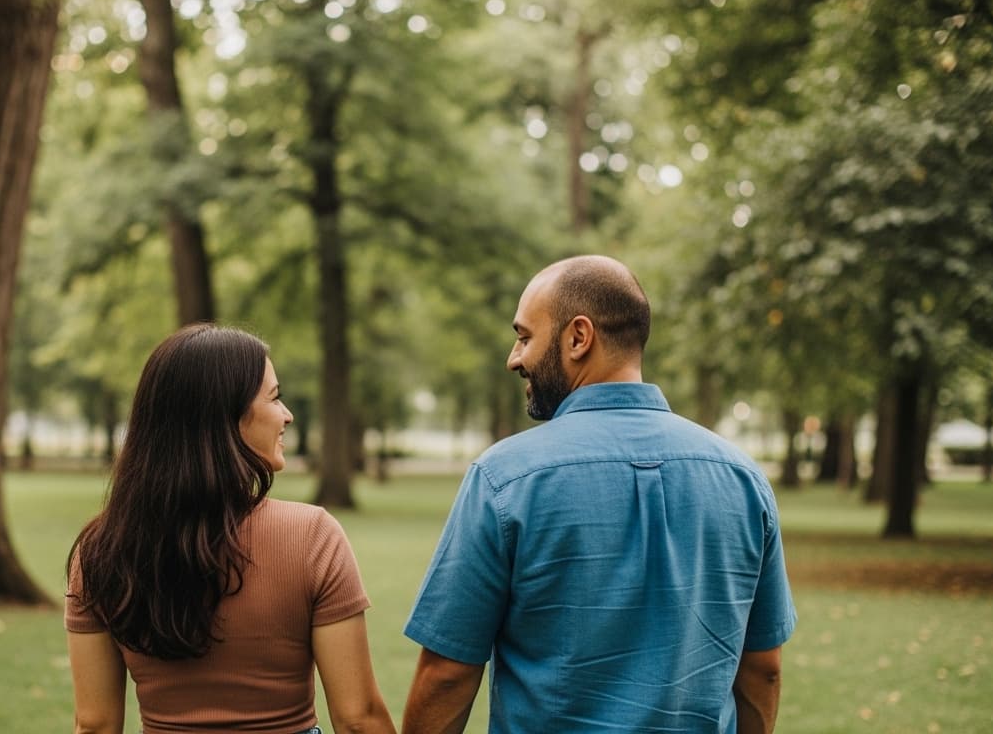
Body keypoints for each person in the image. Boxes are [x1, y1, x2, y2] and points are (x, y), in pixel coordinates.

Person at [401, 255, 796, 734]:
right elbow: (763, 668)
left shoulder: (504, 479)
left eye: (525, 336)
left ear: (578, 337)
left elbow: (447, 675)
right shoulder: (742, 478)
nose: (514, 358)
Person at [66, 324, 396, 734]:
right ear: (228, 419)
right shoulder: (313, 536)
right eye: (275, 398)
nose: (288, 414)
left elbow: (95, 724)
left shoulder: (100, 551)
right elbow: (358, 718)